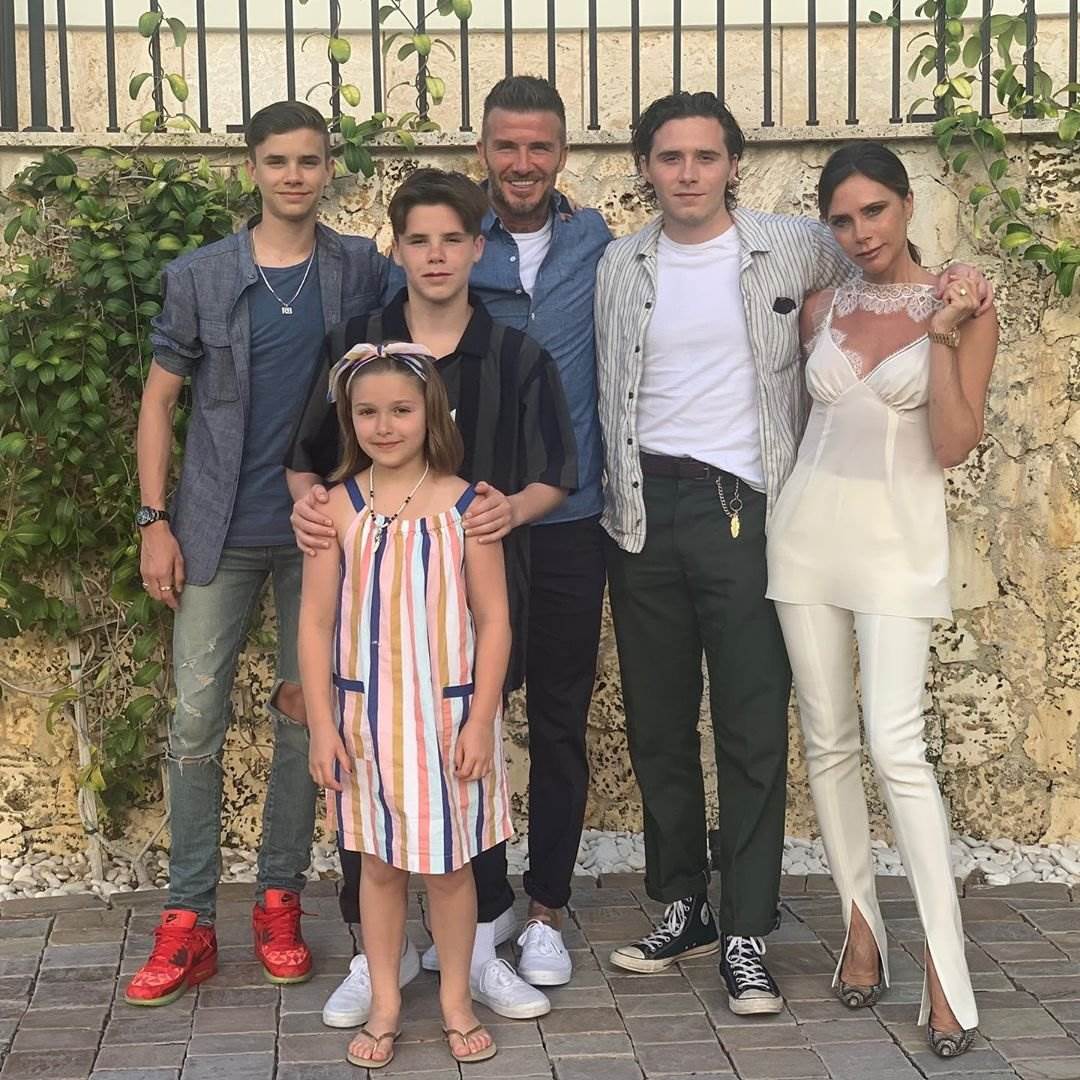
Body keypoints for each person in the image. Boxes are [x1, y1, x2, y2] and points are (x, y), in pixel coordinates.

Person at [594, 91, 992, 1017]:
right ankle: (686, 907)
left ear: (734, 164)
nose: (688, 173)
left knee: (759, 728)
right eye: (669, 157)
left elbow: (898, 276)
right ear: (645, 168)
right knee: (661, 723)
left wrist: (960, 281)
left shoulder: (792, 246)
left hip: (747, 509)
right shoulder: (619, 264)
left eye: (705, 156)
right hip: (650, 509)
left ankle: (747, 928)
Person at [290, 76, 612, 1020]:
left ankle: (485, 940)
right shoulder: (358, 347)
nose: (435, 256)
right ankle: (375, 953)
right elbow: (306, 463)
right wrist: (313, 512)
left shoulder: (516, 356)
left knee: (482, 750)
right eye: (418, 241)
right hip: (375, 607)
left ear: (479, 248)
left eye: (451, 240)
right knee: (367, 757)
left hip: (492, 587)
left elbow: (559, 469)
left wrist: (510, 511)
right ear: (396, 249)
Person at [124, 100, 387, 1006]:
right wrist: (153, 520)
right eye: (277, 161)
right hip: (216, 531)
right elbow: (158, 401)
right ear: (252, 169)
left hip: (321, 534)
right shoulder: (201, 277)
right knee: (195, 721)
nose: (294, 176)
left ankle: (280, 901)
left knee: (305, 717)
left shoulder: (358, 269)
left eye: (309, 160)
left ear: (329, 168)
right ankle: (188, 918)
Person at [766, 142, 996, 1057]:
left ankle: (946, 966)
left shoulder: (962, 303)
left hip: (900, 545)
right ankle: (861, 926)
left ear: (906, 205)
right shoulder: (820, 308)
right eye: (842, 218)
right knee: (827, 740)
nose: (860, 232)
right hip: (805, 536)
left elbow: (953, 443)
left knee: (897, 747)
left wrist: (940, 335)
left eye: (874, 211)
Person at [300, 343, 511, 1068]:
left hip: (449, 722)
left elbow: (494, 620)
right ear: (348, 418)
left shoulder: (466, 506)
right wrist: (322, 724)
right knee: (379, 866)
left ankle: (455, 999)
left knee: (450, 869)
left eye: (400, 410)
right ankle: (386, 1000)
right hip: (367, 725)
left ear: (431, 414)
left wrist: (480, 718)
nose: (384, 426)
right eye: (367, 412)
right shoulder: (336, 508)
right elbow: (315, 623)